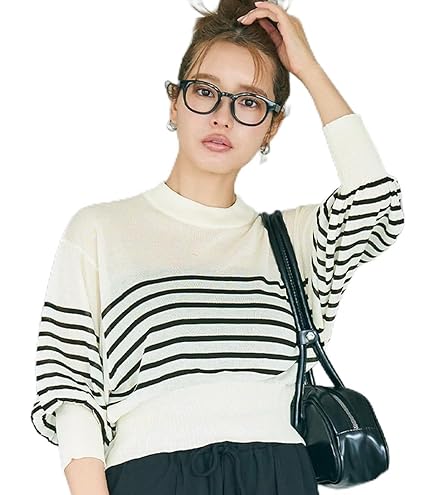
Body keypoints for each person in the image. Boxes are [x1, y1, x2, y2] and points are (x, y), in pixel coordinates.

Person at [30, 1, 405, 494]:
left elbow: (378, 206)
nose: (222, 117)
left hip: (278, 475)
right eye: (205, 92)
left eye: (249, 102)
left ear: (272, 127)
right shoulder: (100, 230)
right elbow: (71, 391)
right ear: (174, 103)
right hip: (152, 476)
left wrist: (309, 68)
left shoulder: (291, 242)